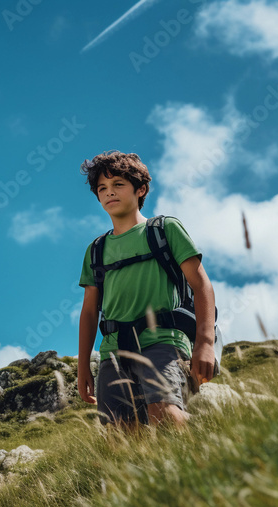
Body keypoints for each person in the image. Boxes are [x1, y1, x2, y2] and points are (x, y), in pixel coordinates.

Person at [76, 151, 217, 427]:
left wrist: (205, 343)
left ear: (140, 189)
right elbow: (89, 312)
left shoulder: (165, 229)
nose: (109, 193)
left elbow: (201, 285)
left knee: (165, 415)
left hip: (164, 340)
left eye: (118, 184)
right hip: (113, 352)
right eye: (102, 188)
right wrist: (83, 366)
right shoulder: (95, 250)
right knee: (120, 435)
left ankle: (214, 444)